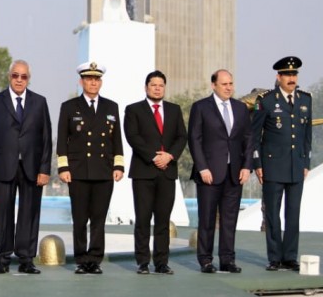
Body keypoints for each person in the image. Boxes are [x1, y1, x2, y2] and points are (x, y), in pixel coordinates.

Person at [0, 60, 52, 275]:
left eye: (24, 76)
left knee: (29, 213)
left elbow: (46, 138)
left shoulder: (40, 102)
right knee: (3, 213)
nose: (19, 80)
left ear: (29, 78)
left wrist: (45, 169)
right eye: (15, 76)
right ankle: (2, 258)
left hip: (31, 168)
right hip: (3, 166)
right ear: (9, 76)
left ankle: (26, 259)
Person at [56, 61, 124, 275]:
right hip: (78, 171)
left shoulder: (111, 106)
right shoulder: (69, 107)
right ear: (81, 81)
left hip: (103, 171)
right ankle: (80, 259)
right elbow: (62, 141)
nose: (93, 83)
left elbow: (116, 139)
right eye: (88, 79)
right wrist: (63, 168)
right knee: (80, 218)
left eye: (96, 79)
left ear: (100, 82)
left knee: (98, 219)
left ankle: (94, 260)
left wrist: (118, 165)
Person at [251, 56, 312, 272]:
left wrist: (306, 161)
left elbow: (306, 135)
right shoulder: (266, 100)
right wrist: (257, 164)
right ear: (279, 77)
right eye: (287, 74)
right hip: (272, 167)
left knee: (293, 214)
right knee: (273, 214)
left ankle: (290, 257)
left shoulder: (305, 100)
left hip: (296, 167)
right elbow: (254, 135)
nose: (291, 78)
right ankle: (274, 257)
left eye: (294, 74)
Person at [123, 70, 187, 275]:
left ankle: (162, 262)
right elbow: (133, 137)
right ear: (146, 87)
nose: (157, 88)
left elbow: (181, 137)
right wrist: (154, 157)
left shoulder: (174, 110)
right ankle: (142, 261)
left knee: (162, 220)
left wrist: (169, 156)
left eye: (161, 85)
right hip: (144, 172)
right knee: (142, 219)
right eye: (153, 85)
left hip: (167, 172)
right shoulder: (133, 110)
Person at [188, 69, 252, 274]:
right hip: (209, 173)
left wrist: (246, 166)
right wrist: (202, 167)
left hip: (234, 173)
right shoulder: (201, 107)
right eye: (224, 84)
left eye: (231, 83)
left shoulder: (241, 108)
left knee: (229, 219)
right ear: (214, 85)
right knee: (206, 219)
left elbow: (248, 140)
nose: (229, 87)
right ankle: (205, 260)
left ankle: (227, 260)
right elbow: (194, 140)